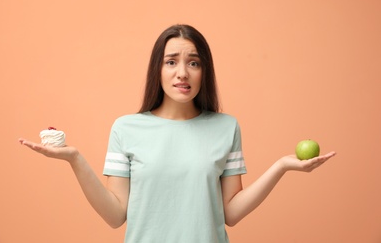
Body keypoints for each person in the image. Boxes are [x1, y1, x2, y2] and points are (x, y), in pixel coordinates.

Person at [19, 24, 336, 243]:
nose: (182, 72)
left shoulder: (226, 128)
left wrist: (281, 166)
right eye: (171, 62)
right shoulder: (126, 128)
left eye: (193, 63)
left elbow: (231, 213)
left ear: (204, 71)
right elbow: (116, 215)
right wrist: (74, 159)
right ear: (158, 69)